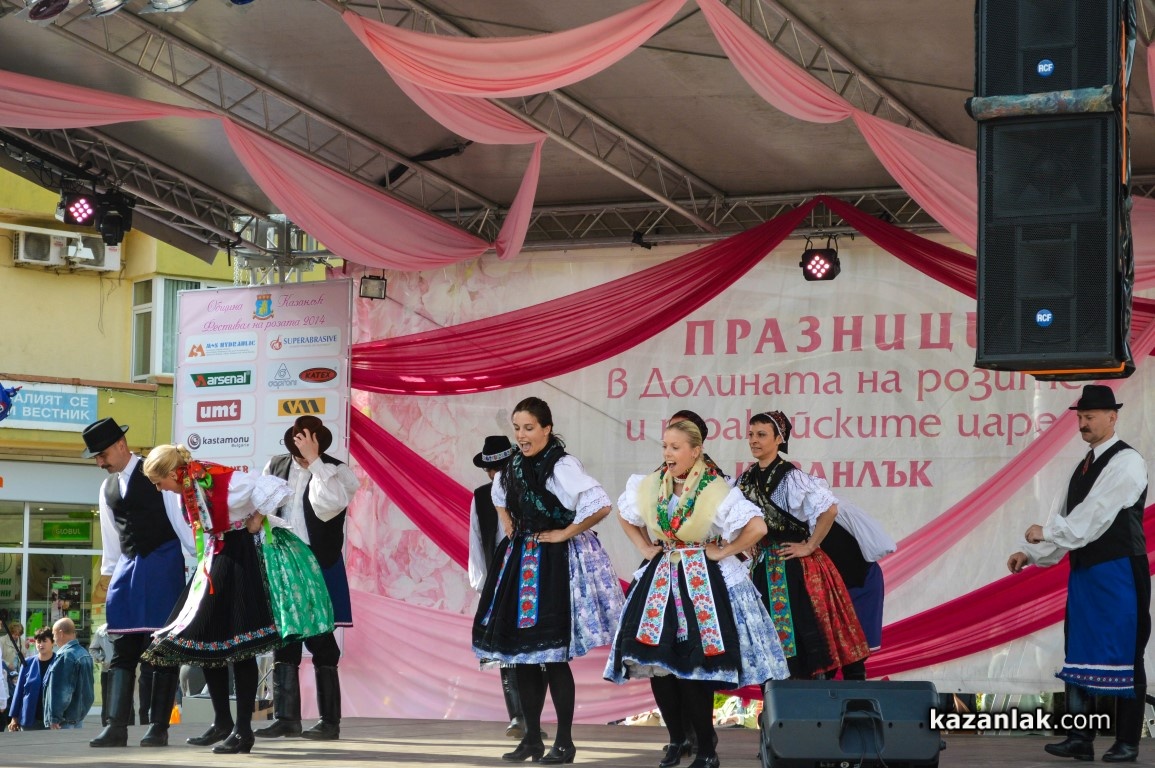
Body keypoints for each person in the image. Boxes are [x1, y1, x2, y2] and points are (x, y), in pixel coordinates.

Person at [606, 418, 789, 768]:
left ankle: (706, 748)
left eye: (675, 447)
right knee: (658, 662)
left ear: (695, 451)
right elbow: (625, 514)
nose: (667, 453)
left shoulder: (715, 488)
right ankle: (677, 739)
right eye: (665, 446)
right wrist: (644, 547)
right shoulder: (651, 485)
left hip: (701, 582)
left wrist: (723, 551)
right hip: (661, 578)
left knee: (693, 666)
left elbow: (756, 526)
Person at [472, 397, 624, 764]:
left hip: (555, 564)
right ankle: (531, 739)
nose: (522, 435)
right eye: (517, 429)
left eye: (528, 428)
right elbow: (498, 496)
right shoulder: (513, 467)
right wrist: (508, 523)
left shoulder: (562, 465)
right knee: (523, 656)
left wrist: (564, 533)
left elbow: (600, 504)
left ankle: (565, 743)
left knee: (554, 656)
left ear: (547, 428)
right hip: (521, 562)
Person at [1008, 384, 1149, 763]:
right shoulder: (1082, 466)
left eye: (1090, 417)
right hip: (1088, 572)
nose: (1083, 424)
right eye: (1081, 417)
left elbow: (1093, 517)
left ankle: (1127, 742)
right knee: (1080, 650)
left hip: (1120, 569)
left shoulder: (1126, 462)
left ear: (1112, 417)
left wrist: (1046, 533)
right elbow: (1066, 518)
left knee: (1126, 652)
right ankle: (1079, 738)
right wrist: (1031, 552)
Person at [141, 444, 300, 755]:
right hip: (215, 558)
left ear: (173, 473)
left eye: (159, 482)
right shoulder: (190, 485)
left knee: (240, 645)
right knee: (207, 639)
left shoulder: (215, 479)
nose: (159, 489)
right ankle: (223, 722)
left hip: (238, 557)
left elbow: (276, 486)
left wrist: (257, 516)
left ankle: (243, 730)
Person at [81, 417, 193, 749]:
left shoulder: (156, 471)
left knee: (162, 650)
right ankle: (116, 726)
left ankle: (158, 727)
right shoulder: (107, 488)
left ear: (121, 445)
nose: (100, 463)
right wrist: (111, 579)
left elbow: (181, 522)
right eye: (97, 457)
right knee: (123, 649)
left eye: (102, 455)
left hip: (164, 566)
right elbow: (111, 541)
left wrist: (196, 561)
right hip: (129, 569)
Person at [735, 411, 869, 680]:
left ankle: (806, 692)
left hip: (797, 567)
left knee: (808, 628)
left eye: (761, 435)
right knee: (769, 635)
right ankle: (777, 696)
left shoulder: (792, 478)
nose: (754, 440)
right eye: (751, 434)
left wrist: (809, 546)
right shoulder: (746, 479)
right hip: (764, 566)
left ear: (779, 439)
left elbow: (829, 509)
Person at [256, 415, 359, 741]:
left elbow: (328, 506)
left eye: (306, 447)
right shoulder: (275, 465)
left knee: (320, 638)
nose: (299, 454)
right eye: (297, 447)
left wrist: (315, 463)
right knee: (285, 638)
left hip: (317, 563)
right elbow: (261, 509)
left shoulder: (337, 472)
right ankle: (287, 718)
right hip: (283, 563)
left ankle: (329, 722)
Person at [467, 434, 545, 741]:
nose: (495, 474)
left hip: (532, 576)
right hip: (499, 579)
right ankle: (517, 716)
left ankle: (533, 720)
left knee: (536, 649)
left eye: (500, 468)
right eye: (491, 469)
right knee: (504, 647)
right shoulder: (481, 496)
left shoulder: (532, 490)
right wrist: (483, 584)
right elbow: (476, 540)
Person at [42, 618, 94, 730]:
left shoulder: (66, 656)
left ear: (60, 633)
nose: (53, 638)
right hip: (77, 718)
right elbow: (89, 692)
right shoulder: (84, 653)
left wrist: (54, 718)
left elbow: (62, 691)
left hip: (64, 721)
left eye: (53, 634)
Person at [8, 627, 54, 731]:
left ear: (53, 642)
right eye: (38, 641)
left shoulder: (59, 662)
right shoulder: (27, 663)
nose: (41, 644)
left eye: (44, 641)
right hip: (29, 719)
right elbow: (19, 691)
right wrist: (14, 717)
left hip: (52, 720)